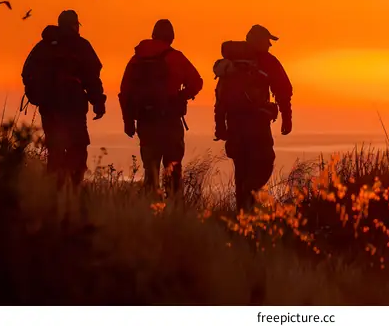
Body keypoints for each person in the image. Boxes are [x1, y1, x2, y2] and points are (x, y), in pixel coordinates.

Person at [21, 10, 106, 190]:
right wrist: (98, 102)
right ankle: (72, 188)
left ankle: (54, 188)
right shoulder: (81, 45)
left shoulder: (43, 46)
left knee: (55, 149)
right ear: (75, 25)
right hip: (73, 105)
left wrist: (37, 94)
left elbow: (26, 72)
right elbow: (92, 77)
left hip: (49, 106)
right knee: (78, 147)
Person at [118, 19, 203, 199]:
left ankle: (150, 210)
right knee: (173, 169)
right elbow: (197, 82)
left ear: (153, 34)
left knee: (151, 170)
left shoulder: (136, 59)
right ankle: (173, 210)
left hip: (145, 121)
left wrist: (128, 122)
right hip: (170, 121)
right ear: (171, 37)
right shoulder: (176, 57)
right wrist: (182, 96)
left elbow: (124, 92)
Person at [213, 24, 293, 212]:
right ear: (258, 41)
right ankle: (249, 206)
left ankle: (243, 218)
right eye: (267, 41)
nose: (270, 46)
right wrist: (286, 118)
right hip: (257, 124)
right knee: (265, 162)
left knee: (241, 171)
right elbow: (283, 90)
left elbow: (220, 97)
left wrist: (220, 126)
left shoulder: (230, 65)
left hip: (233, 124)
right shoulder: (267, 61)